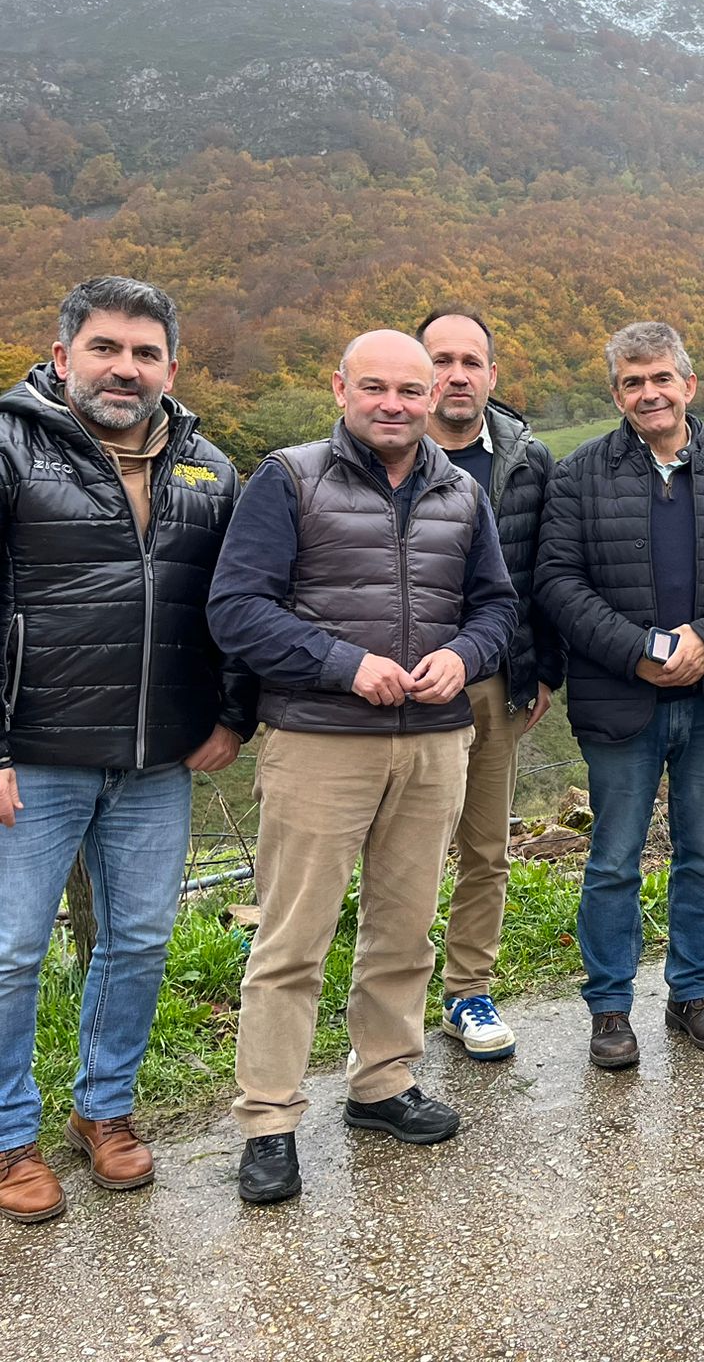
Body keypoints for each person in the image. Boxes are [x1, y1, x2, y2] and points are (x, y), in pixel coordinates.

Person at [209, 330, 516, 1205]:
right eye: (375, 387)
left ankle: (382, 1083)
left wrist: (466, 654)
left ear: (434, 399)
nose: (395, 403)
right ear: (339, 387)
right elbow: (236, 609)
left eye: (410, 390)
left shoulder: (461, 492)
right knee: (291, 939)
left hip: (433, 740)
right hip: (319, 741)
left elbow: (497, 604)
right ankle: (269, 1120)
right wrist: (343, 663)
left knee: (403, 927)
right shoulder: (290, 478)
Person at [0, 277, 252, 1227]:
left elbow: (233, 610)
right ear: (63, 357)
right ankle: (7, 1135)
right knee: (10, 953)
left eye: (145, 354)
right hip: (37, 753)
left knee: (139, 942)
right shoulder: (8, 447)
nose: (126, 368)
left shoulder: (209, 470)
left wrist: (230, 715)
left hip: (158, 759)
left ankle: (102, 1112)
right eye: (106, 348)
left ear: (172, 369)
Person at [535, 322, 704, 1068]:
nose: (648, 392)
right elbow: (557, 580)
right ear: (616, 393)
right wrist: (638, 651)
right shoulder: (579, 473)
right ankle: (610, 1008)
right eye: (631, 381)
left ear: (688, 384)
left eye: (660, 378)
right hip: (623, 697)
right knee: (614, 857)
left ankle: (692, 993)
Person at [416, 307, 563, 1063]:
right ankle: (390, 1007)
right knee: (400, 856)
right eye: (442, 359)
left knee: (485, 850)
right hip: (407, 689)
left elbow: (542, 574)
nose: (458, 374)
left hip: (496, 679)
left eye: (472, 361)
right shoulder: (381, 448)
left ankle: (467, 991)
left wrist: (543, 670)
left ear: (493, 375)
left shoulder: (524, 460)